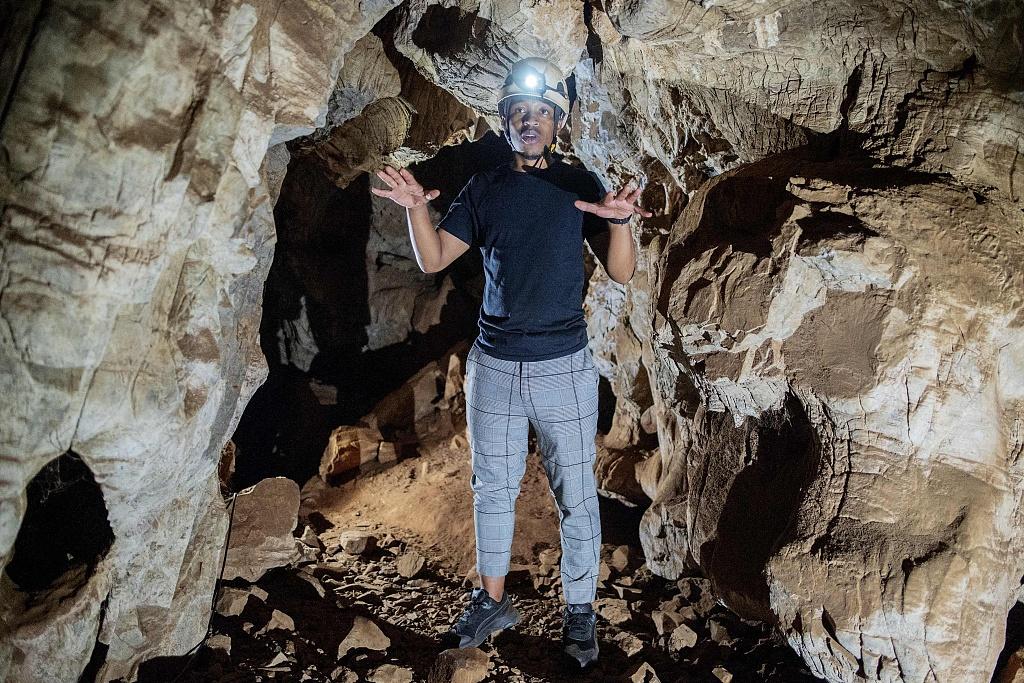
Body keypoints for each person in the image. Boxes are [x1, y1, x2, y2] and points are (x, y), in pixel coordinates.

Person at [371, 57, 651, 668]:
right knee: (491, 490)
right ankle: (490, 601)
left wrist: (623, 222)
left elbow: (622, 270)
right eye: (520, 112)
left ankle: (580, 615)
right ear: (506, 121)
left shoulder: (577, 183)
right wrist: (416, 208)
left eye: (542, 113)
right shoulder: (486, 187)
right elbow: (435, 258)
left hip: (563, 368)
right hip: (494, 366)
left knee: (576, 494)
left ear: (557, 121)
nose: (531, 121)